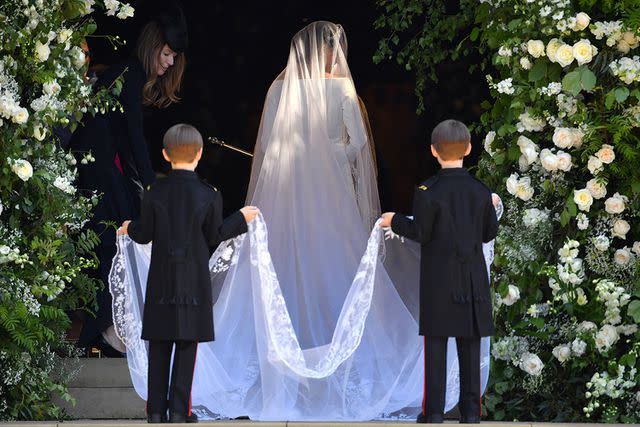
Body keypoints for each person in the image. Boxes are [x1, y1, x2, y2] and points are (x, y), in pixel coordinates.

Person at [110, 22, 492, 421]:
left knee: (280, 261)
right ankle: (338, 351)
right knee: (336, 260)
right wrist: (332, 160)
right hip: (333, 193)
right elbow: (358, 143)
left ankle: (277, 354)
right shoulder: (342, 89)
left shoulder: (279, 89)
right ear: (330, 53)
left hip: (287, 185)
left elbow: (272, 145)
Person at [118, 124, 259, 423]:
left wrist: (129, 226)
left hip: (161, 283)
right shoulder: (209, 194)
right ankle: (180, 411)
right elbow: (216, 235)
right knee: (186, 347)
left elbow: (143, 235)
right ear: (199, 154)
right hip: (193, 285)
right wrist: (242, 218)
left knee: (159, 344)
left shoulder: (154, 192)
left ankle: (156, 411)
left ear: (165, 154)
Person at [72, 8, 188, 355]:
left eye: (173, 57)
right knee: (113, 246)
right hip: (98, 175)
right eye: (166, 54)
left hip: (103, 173)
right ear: (154, 47)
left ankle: (105, 332)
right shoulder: (130, 73)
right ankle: (106, 332)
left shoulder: (127, 73)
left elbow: (127, 139)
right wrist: (151, 184)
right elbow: (133, 137)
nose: (168, 63)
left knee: (113, 247)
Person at [380, 119, 499, 424]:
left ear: (433, 151)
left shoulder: (427, 191)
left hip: (438, 282)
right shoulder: (481, 191)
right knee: (470, 346)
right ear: (469, 149)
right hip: (472, 280)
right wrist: (492, 205)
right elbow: (488, 234)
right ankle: (472, 413)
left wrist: (393, 220)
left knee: (436, 347)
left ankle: (433, 413)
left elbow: (421, 232)